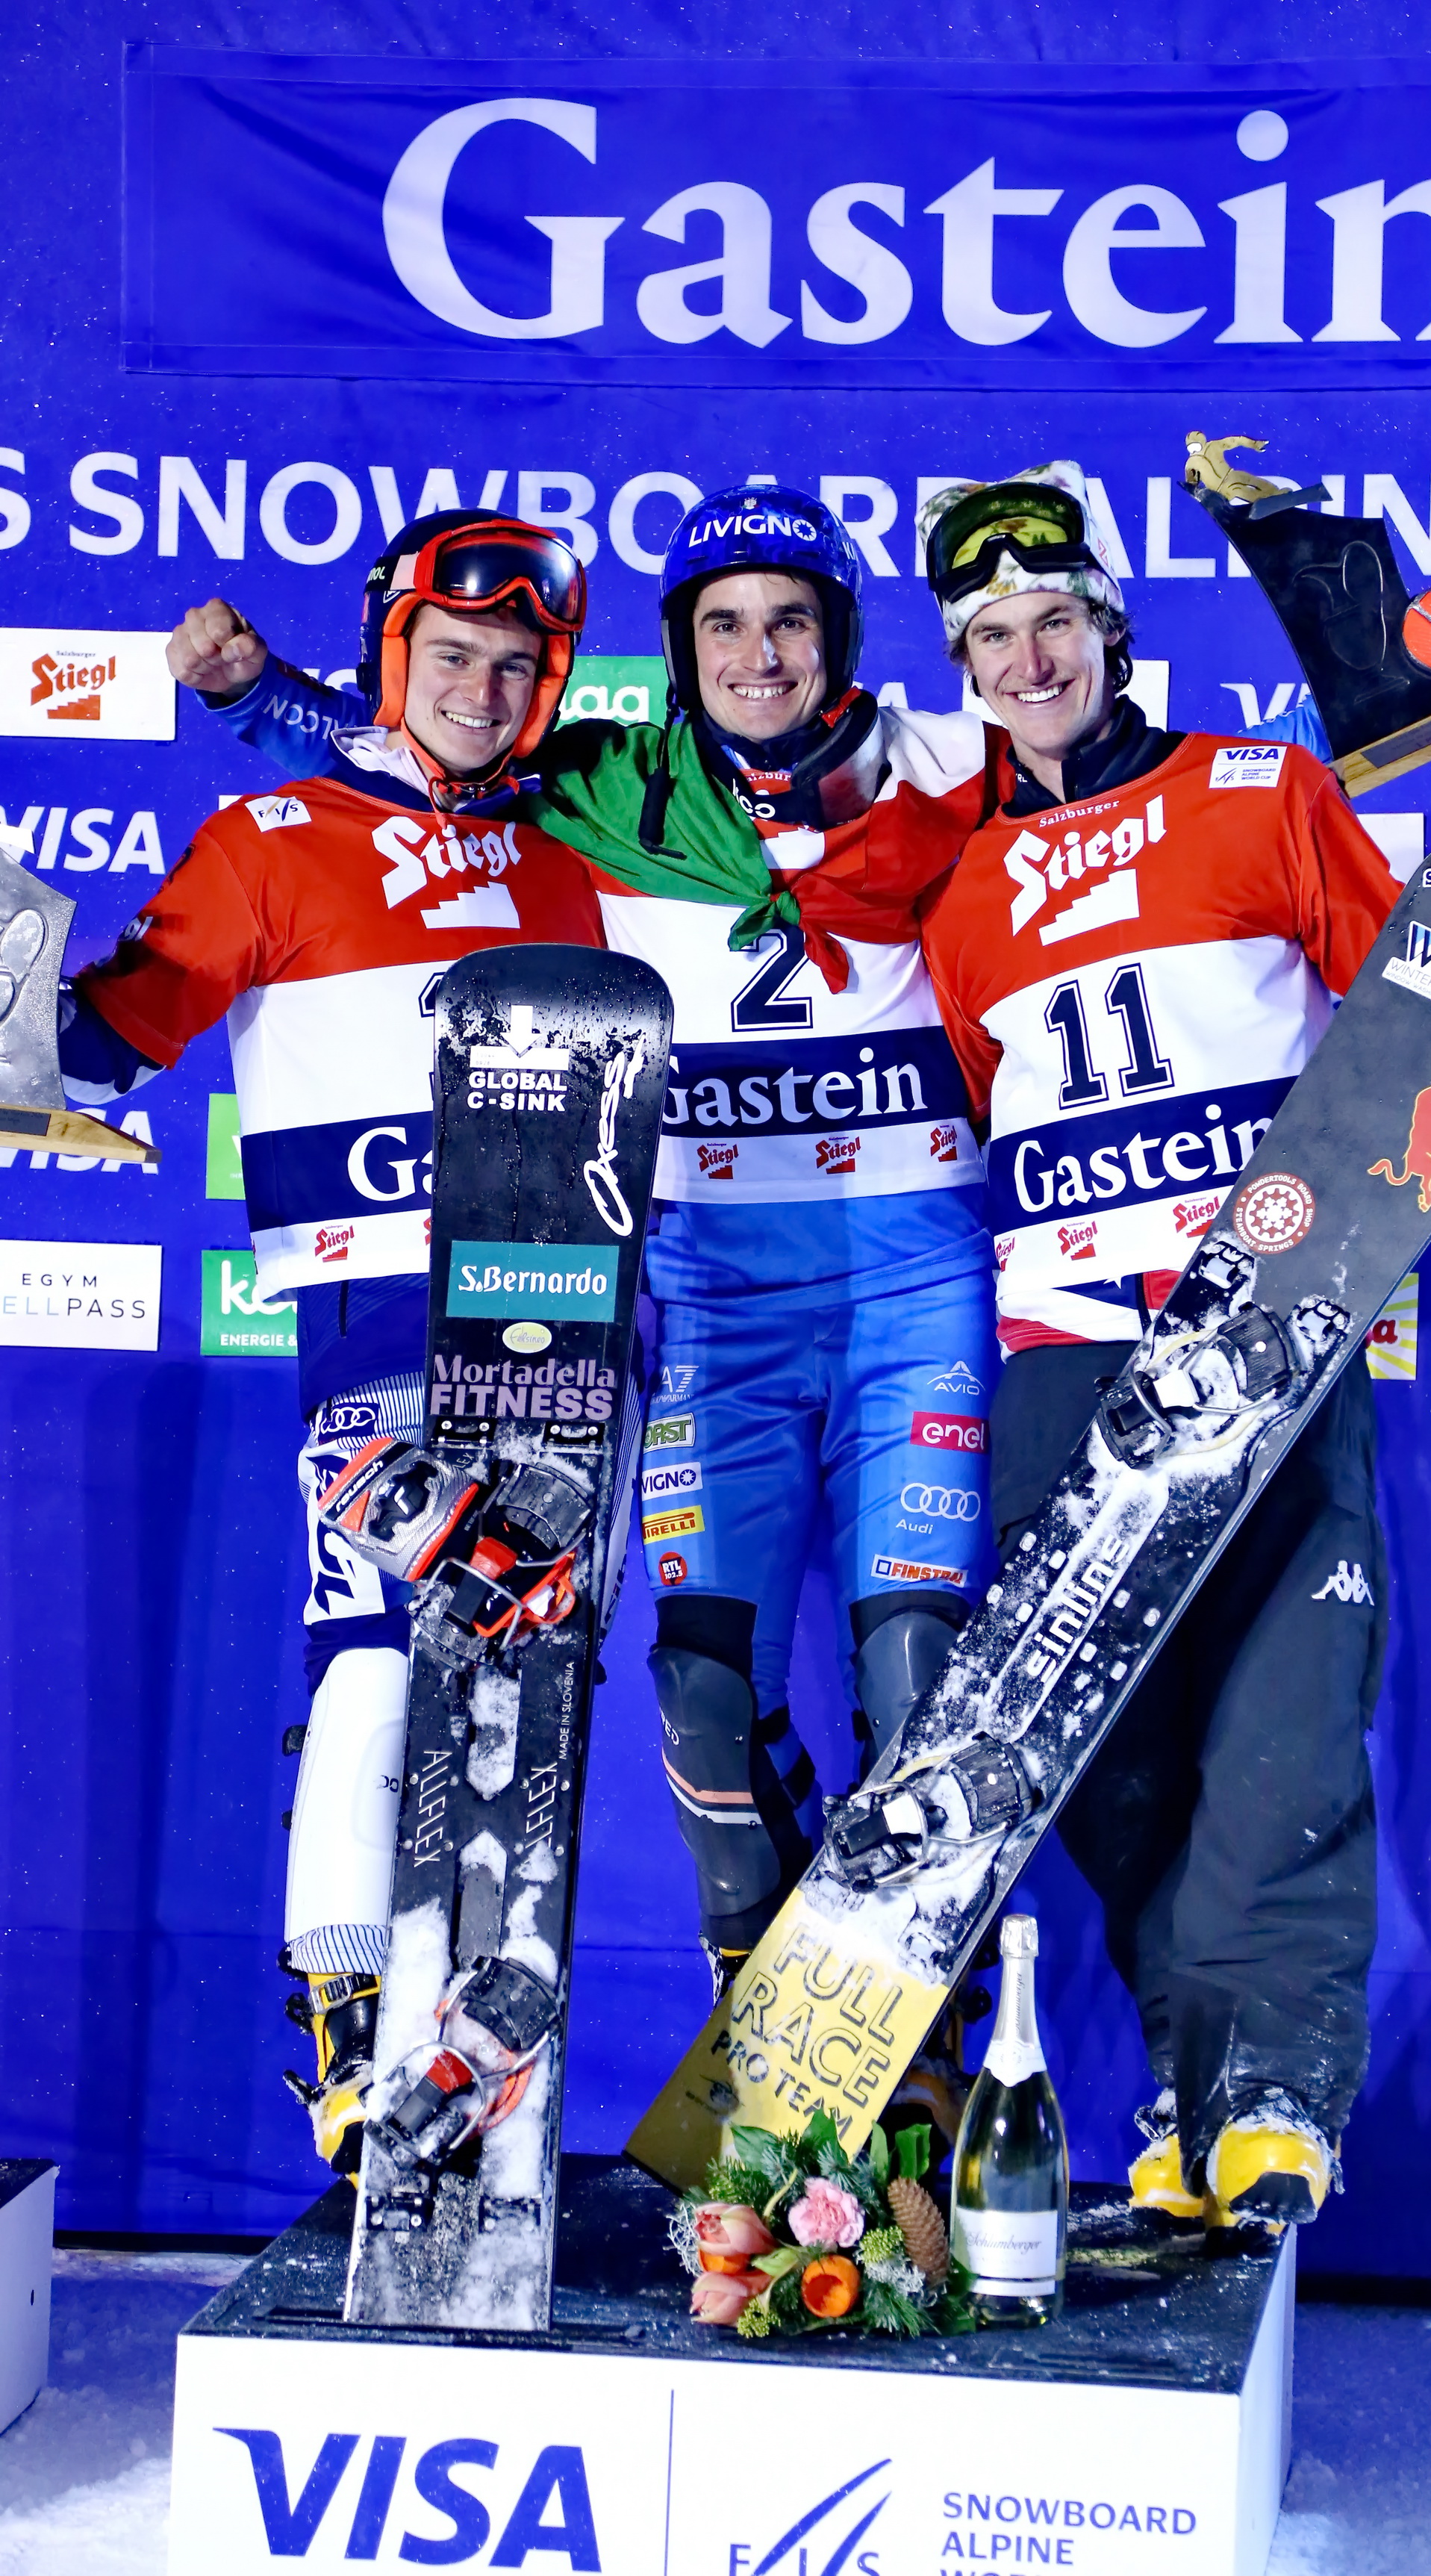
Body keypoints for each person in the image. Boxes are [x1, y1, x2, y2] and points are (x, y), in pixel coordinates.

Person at [165, 494, 1005, 2097]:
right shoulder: (600, 787)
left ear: (840, 636)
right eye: (722, 625)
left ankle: (916, 2040)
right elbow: (426, 754)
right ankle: (774, 2026)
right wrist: (261, 694)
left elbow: (1094, 775)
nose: (759, 656)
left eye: (792, 621)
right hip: (704, 1286)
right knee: (694, 1688)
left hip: (911, 1285)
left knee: (915, 1671)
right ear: (678, 651)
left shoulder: (943, 771)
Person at [914, 461, 1431, 2230]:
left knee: (1286, 1715)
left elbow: (1414, 1002)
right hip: (1063, 1341)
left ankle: (1274, 2091)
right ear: (965, 670)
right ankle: (1189, 2077)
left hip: (1266, 1320)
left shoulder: (1256, 789)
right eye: (993, 639)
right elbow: (983, 1100)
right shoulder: (960, 884)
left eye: (1056, 622)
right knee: (1105, 1753)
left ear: (1110, 631)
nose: (1030, 660)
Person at [69, 514, 604, 2171]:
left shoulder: (577, 849)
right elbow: (107, 1038)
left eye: (514, 665)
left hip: (565, 1323)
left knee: (523, 1694)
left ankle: (481, 2042)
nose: (481, 690)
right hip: (372, 1314)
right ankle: (350, 2031)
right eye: (450, 656)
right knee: (376, 1662)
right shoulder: (274, 839)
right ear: (390, 660)